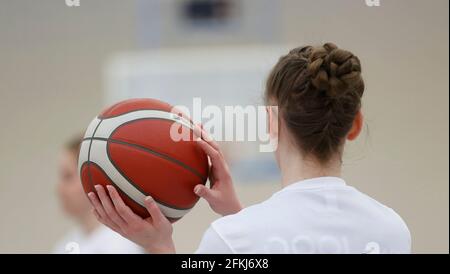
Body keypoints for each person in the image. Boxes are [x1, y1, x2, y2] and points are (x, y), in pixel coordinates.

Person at [87, 43, 411, 254]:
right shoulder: (391, 231)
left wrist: (158, 245)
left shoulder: (232, 239)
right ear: (354, 125)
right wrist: (235, 215)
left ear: (271, 125)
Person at [53, 135, 144, 254]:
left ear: (91, 177)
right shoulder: (65, 245)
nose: (59, 189)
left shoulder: (120, 244)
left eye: (68, 176)